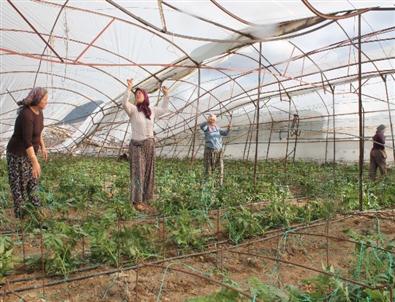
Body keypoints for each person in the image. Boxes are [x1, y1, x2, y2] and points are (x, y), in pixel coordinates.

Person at [122, 79, 169, 211]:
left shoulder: (151, 110)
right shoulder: (133, 109)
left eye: (140, 93)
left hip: (149, 144)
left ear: (145, 96)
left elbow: (165, 109)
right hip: (137, 145)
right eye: (136, 94)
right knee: (138, 172)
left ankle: (147, 197)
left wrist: (166, 95)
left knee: (149, 172)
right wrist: (129, 88)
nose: (138, 95)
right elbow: (124, 103)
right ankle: (137, 201)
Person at [6, 87, 48, 218]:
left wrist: (43, 146)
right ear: (37, 100)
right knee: (20, 185)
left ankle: (36, 213)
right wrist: (35, 162)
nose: (47, 102)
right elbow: (27, 141)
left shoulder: (39, 112)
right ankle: (21, 217)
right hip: (17, 155)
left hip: (30, 154)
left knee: (33, 182)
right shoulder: (26, 115)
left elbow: (39, 131)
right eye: (45, 99)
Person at [200, 113, 231, 185]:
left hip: (218, 151)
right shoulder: (206, 127)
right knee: (208, 167)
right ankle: (208, 184)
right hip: (209, 150)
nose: (213, 121)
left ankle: (219, 184)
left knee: (219, 167)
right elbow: (201, 126)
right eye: (212, 119)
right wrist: (207, 121)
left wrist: (228, 129)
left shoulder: (217, 127)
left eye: (214, 119)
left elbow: (225, 133)